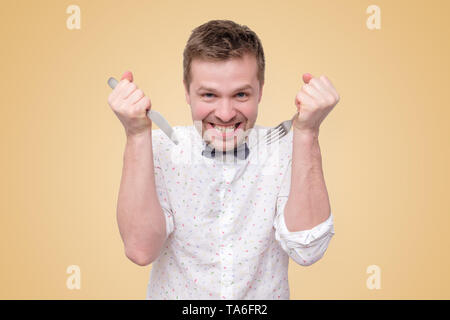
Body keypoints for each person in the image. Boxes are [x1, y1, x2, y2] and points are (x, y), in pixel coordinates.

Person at [107, 19, 340, 300]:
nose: (226, 113)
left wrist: (308, 132)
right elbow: (141, 250)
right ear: (187, 91)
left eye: (240, 94)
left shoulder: (287, 150)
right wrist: (135, 135)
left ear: (260, 91)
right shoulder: (155, 148)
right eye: (209, 95)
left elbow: (308, 250)